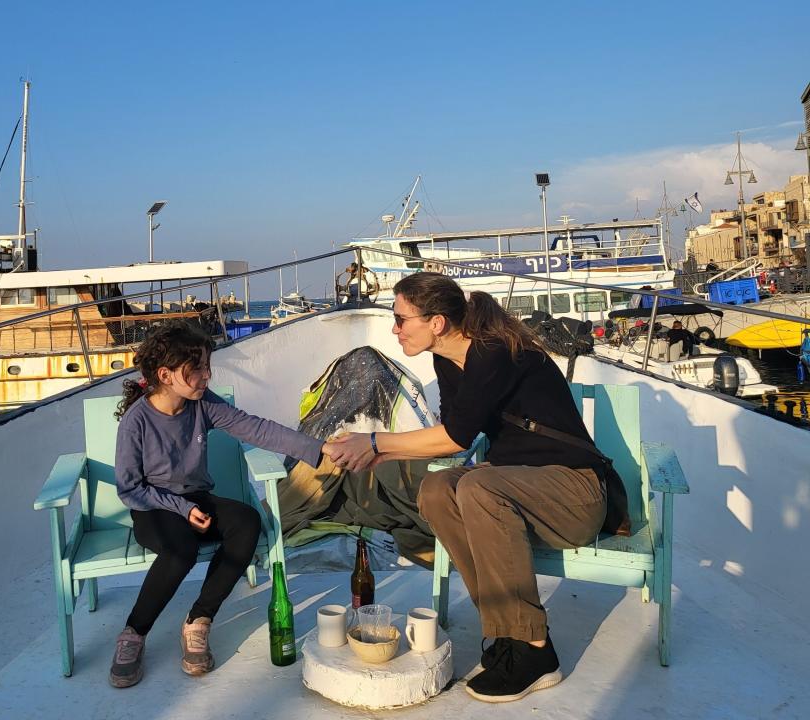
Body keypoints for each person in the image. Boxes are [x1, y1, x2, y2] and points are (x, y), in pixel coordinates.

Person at [325, 272, 621, 704]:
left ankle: (536, 649)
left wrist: (374, 440)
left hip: (574, 494)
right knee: (437, 489)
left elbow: (458, 438)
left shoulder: (492, 352)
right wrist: (379, 456)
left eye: (401, 318)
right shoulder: (447, 360)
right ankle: (505, 633)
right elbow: (451, 431)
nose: (394, 328)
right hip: (520, 493)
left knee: (479, 486)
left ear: (437, 323)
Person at [109, 320, 329, 687]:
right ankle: (133, 632)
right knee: (181, 551)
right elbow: (130, 488)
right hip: (153, 508)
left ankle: (199, 620)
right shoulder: (136, 422)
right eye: (195, 369)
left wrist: (317, 449)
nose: (206, 376)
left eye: (207, 366)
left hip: (196, 499)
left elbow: (254, 428)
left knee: (246, 521)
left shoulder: (202, 405)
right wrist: (181, 510)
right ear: (165, 374)